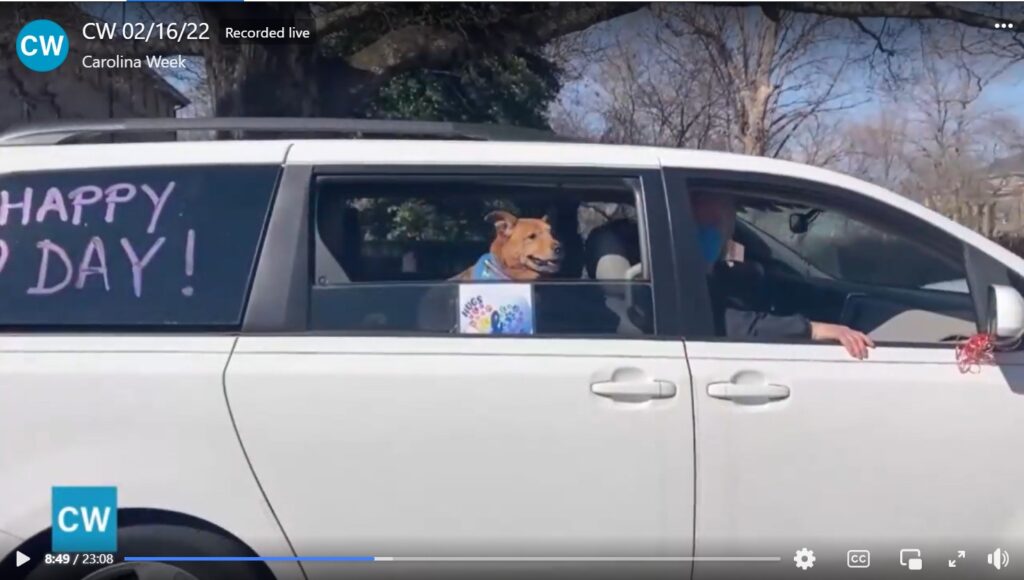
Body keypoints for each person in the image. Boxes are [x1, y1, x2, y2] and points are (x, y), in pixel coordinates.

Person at [692, 192, 875, 359]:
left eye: (727, 215)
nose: (720, 228)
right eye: (712, 222)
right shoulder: (684, 282)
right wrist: (815, 329)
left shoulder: (699, 270)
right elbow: (734, 324)